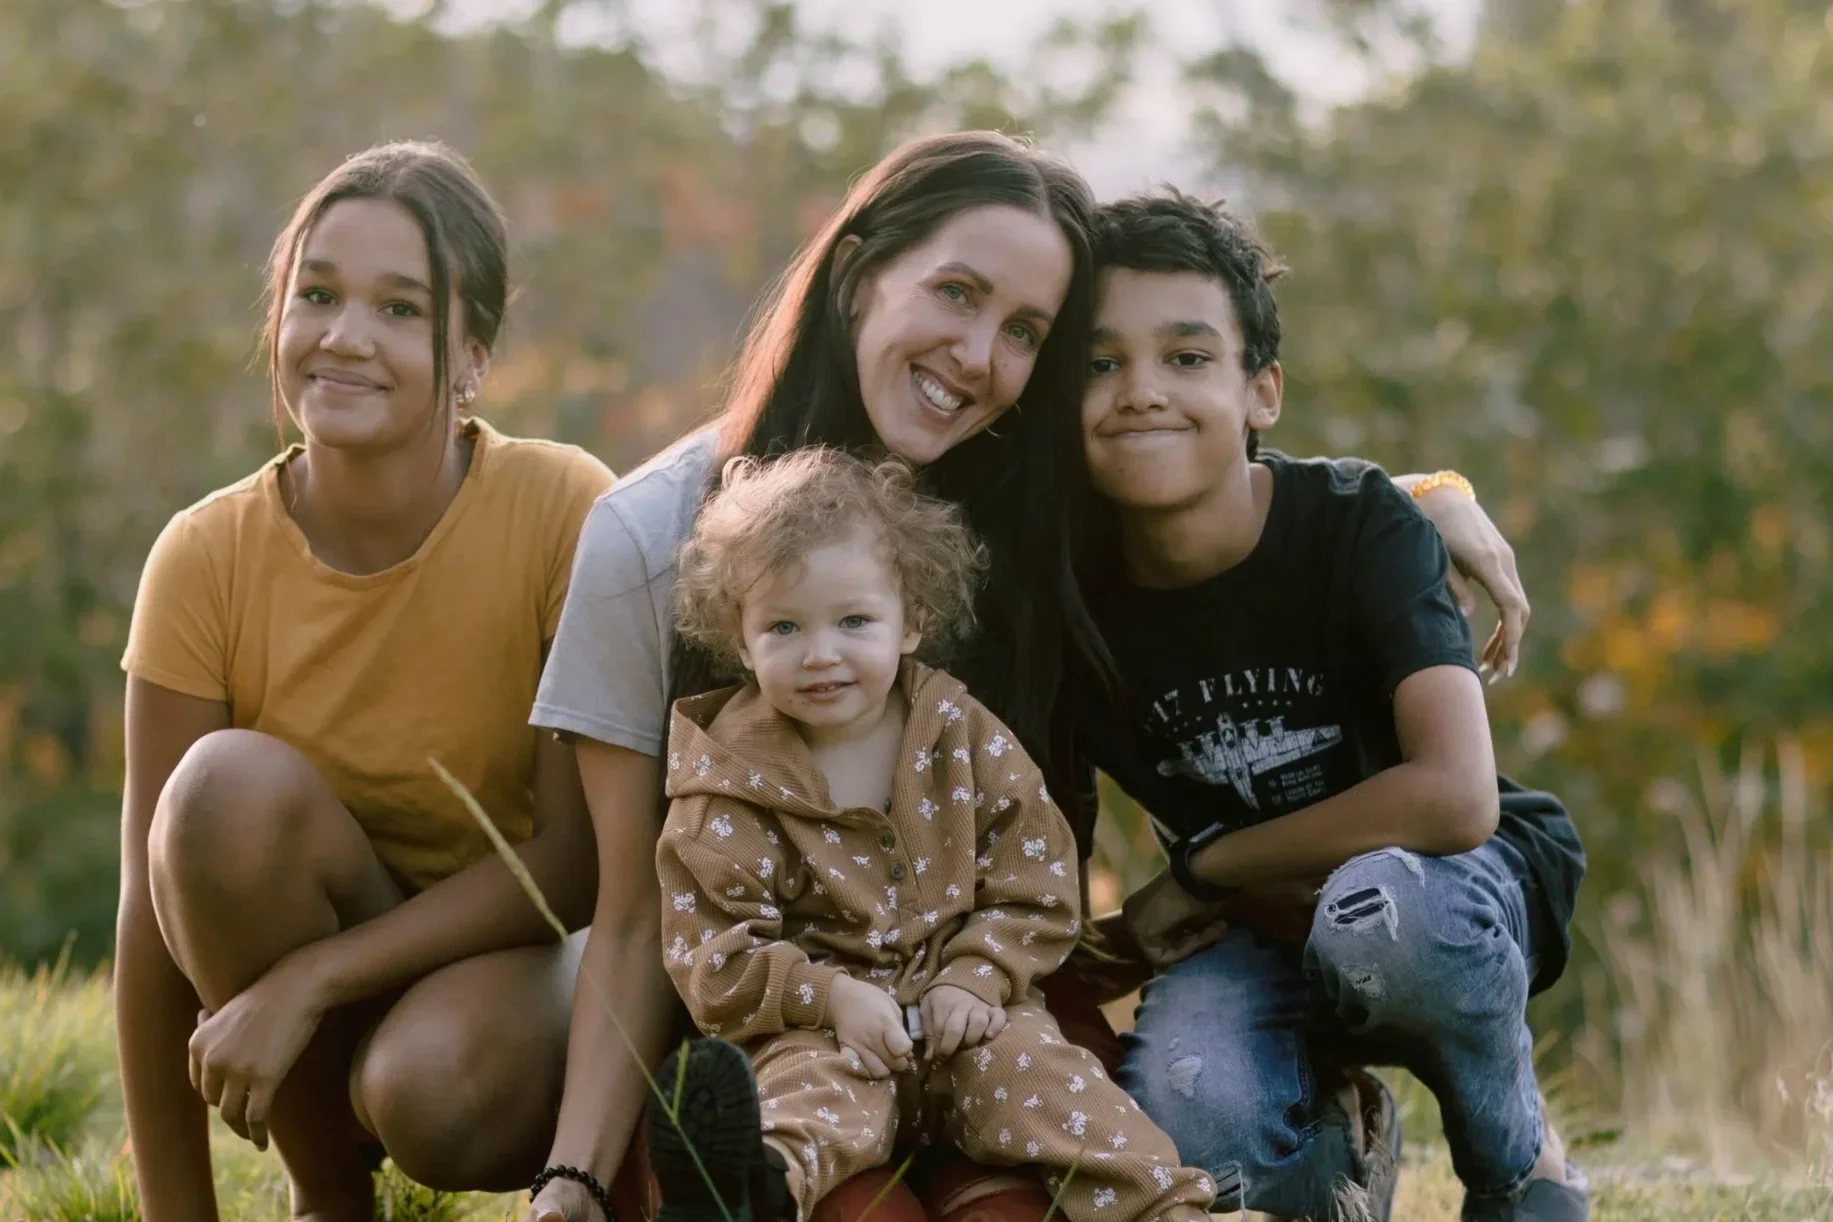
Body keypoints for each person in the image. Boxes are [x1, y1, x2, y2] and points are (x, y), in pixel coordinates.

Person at [529, 129, 1534, 1222]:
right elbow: (631, 915)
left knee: (1046, 1194)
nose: (975, 354)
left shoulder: (1024, 507)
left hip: (990, 1004)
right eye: (955, 293)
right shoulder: (655, 536)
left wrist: (1422, 494)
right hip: (786, 1037)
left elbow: (1220, 475)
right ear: (862, 273)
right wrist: (571, 1179)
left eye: (1024, 333)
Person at [116, 142, 623, 1222]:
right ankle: (330, 1198)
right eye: (318, 294)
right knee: (214, 797)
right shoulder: (203, 556)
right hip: (320, 946)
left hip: (514, 962)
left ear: (472, 356)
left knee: (424, 1088)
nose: (345, 336)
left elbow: (574, 864)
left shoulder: (564, 508)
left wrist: (315, 980)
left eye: (399, 308)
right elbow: (147, 916)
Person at [1072, 189, 1590, 1222]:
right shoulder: (1068, 597)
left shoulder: (1359, 522)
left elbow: (1456, 798)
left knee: (1379, 917)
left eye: (1185, 358)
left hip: (1445, 891)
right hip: (1254, 931)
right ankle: (1341, 1155)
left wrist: (1205, 869)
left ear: (1261, 391)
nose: (1139, 392)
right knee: (1191, 1120)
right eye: (1098, 364)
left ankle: (1518, 1167)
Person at [644, 449, 1217, 1222]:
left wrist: (979, 972)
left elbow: (1034, 877)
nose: (821, 653)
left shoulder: (961, 736)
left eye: (854, 621)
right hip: (829, 1037)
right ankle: (748, 1190)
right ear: (742, 644)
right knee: (804, 1101)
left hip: (973, 1021)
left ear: (911, 621)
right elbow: (711, 951)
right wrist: (827, 996)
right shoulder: (728, 783)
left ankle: (1166, 1210)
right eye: (783, 627)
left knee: (1048, 1081)